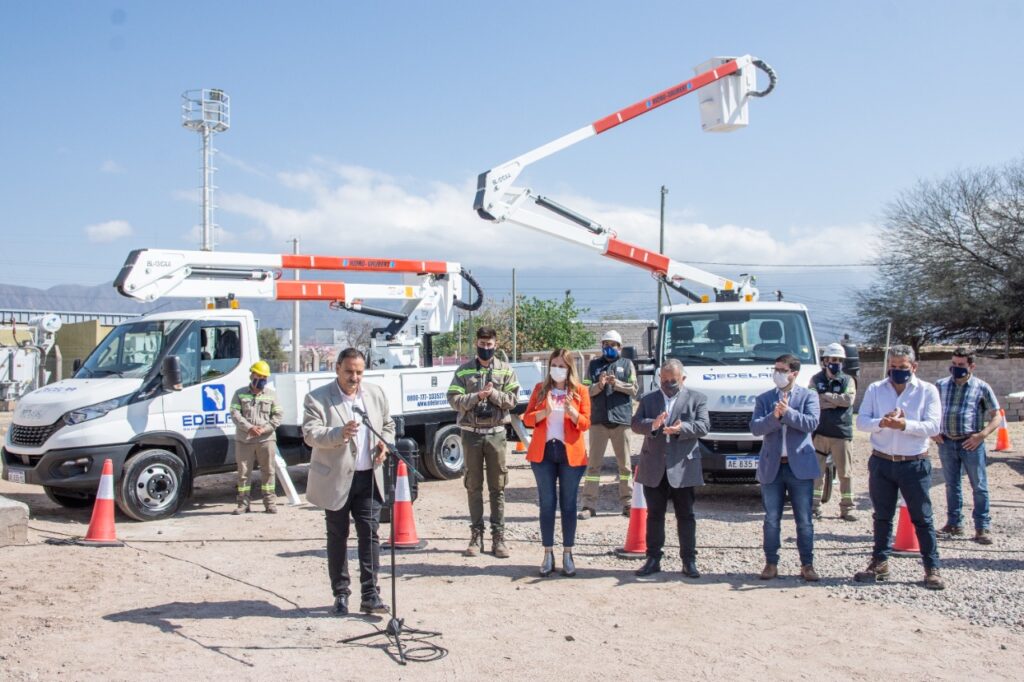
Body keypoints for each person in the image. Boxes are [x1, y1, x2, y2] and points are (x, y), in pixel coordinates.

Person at [303, 348, 392, 616]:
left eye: (359, 372)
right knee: (337, 536)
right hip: (336, 479)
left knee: (370, 535)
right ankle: (341, 594)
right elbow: (310, 434)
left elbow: (388, 425)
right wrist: (339, 433)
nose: (354, 378)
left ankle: (370, 594)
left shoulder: (375, 394)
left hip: (368, 477)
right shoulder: (318, 398)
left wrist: (384, 444)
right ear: (337, 369)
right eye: (349, 372)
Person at [854, 345, 944, 590]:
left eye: (902, 367)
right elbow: (862, 422)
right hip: (882, 461)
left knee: (922, 517)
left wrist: (905, 425)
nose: (896, 371)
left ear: (913, 367)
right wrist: (882, 422)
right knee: (882, 516)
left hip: (914, 462)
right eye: (892, 366)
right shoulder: (876, 389)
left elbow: (933, 426)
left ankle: (931, 568)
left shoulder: (927, 391)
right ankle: (879, 563)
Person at [631, 359, 709, 579]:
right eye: (664, 380)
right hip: (654, 466)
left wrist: (682, 428)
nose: (667, 384)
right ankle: (653, 558)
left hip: (682, 467)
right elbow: (635, 424)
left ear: (682, 378)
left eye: (672, 380)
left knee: (686, 515)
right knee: (654, 515)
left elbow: (704, 426)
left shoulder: (697, 398)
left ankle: (689, 561)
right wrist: (653, 425)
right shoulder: (649, 399)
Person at [447, 326, 520, 558]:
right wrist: (477, 396)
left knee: (497, 487)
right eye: (482, 344)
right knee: (473, 486)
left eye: (489, 344)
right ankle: (476, 535)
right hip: (471, 434)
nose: (485, 348)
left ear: (496, 345)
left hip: (496, 434)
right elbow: (453, 399)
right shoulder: (464, 370)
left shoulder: (506, 370)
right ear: (476, 344)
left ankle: (498, 537)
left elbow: (513, 400)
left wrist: (493, 394)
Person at [750, 354, 821, 582]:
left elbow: (811, 423)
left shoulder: (808, 396)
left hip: (799, 467)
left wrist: (788, 413)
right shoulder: (764, 399)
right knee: (771, 518)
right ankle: (771, 563)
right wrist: (774, 416)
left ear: (794, 373)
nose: (777, 374)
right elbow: (756, 428)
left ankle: (807, 565)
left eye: (782, 370)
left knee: (804, 519)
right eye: (775, 369)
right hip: (772, 467)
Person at [522, 349, 591, 577]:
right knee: (547, 503)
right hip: (544, 454)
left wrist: (572, 412)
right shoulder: (540, 390)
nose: (557, 369)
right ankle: (548, 553)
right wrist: (545, 411)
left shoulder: (580, 391)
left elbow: (585, 423)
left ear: (570, 368)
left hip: (570, 454)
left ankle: (568, 554)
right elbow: (527, 419)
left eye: (562, 366)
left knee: (569, 505)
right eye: (554, 365)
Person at [933, 347, 1001, 545]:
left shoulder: (982, 387)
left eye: (961, 364)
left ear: (971, 366)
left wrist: (981, 435)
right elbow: (929, 410)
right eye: (953, 363)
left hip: (971, 443)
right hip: (946, 442)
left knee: (979, 485)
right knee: (951, 485)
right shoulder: (940, 385)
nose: (956, 367)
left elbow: (996, 415)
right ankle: (954, 524)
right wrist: (933, 431)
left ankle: (982, 527)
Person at [579, 330, 638, 519]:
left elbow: (634, 389)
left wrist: (617, 383)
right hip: (599, 421)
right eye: (605, 344)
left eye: (612, 345)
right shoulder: (594, 365)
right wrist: (599, 385)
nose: (608, 347)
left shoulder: (627, 364)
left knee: (625, 466)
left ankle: (628, 503)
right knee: (593, 466)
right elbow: (585, 390)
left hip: (621, 421)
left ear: (619, 347)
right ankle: (588, 505)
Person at [810, 342, 858, 521]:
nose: (836, 363)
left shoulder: (848, 380)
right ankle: (814, 506)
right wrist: (835, 401)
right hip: (820, 432)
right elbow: (812, 400)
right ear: (825, 361)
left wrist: (827, 397)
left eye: (839, 360)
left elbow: (848, 400)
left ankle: (847, 508)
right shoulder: (815, 379)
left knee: (845, 473)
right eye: (832, 359)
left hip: (841, 434)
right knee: (816, 472)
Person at [229, 360, 284, 514]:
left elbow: (278, 416)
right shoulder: (239, 394)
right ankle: (243, 504)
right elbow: (235, 414)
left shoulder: (271, 395)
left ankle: (270, 503)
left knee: (268, 471)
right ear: (252, 375)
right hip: (244, 439)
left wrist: (264, 429)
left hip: (266, 439)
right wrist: (249, 428)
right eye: (258, 376)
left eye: (264, 377)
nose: (261, 379)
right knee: (243, 473)